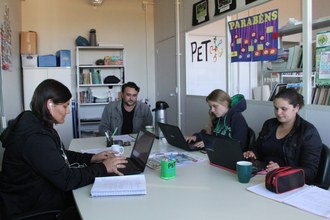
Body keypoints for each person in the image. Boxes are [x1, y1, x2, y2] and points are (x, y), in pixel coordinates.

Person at [0, 79, 128, 220]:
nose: (68, 111)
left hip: (35, 194)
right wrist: (103, 168)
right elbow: (66, 179)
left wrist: (91, 158)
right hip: (32, 206)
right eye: (65, 106)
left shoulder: (36, 122)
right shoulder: (35, 138)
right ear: (50, 104)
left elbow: (59, 153)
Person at [243, 88, 322, 184]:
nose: (278, 113)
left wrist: (282, 169)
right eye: (276, 108)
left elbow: (310, 172)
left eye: (283, 109)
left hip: (287, 181)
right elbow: (258, 149)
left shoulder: (308, 132)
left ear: (296, 108)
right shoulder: (269, 124)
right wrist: (253, 153)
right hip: (264, 176)